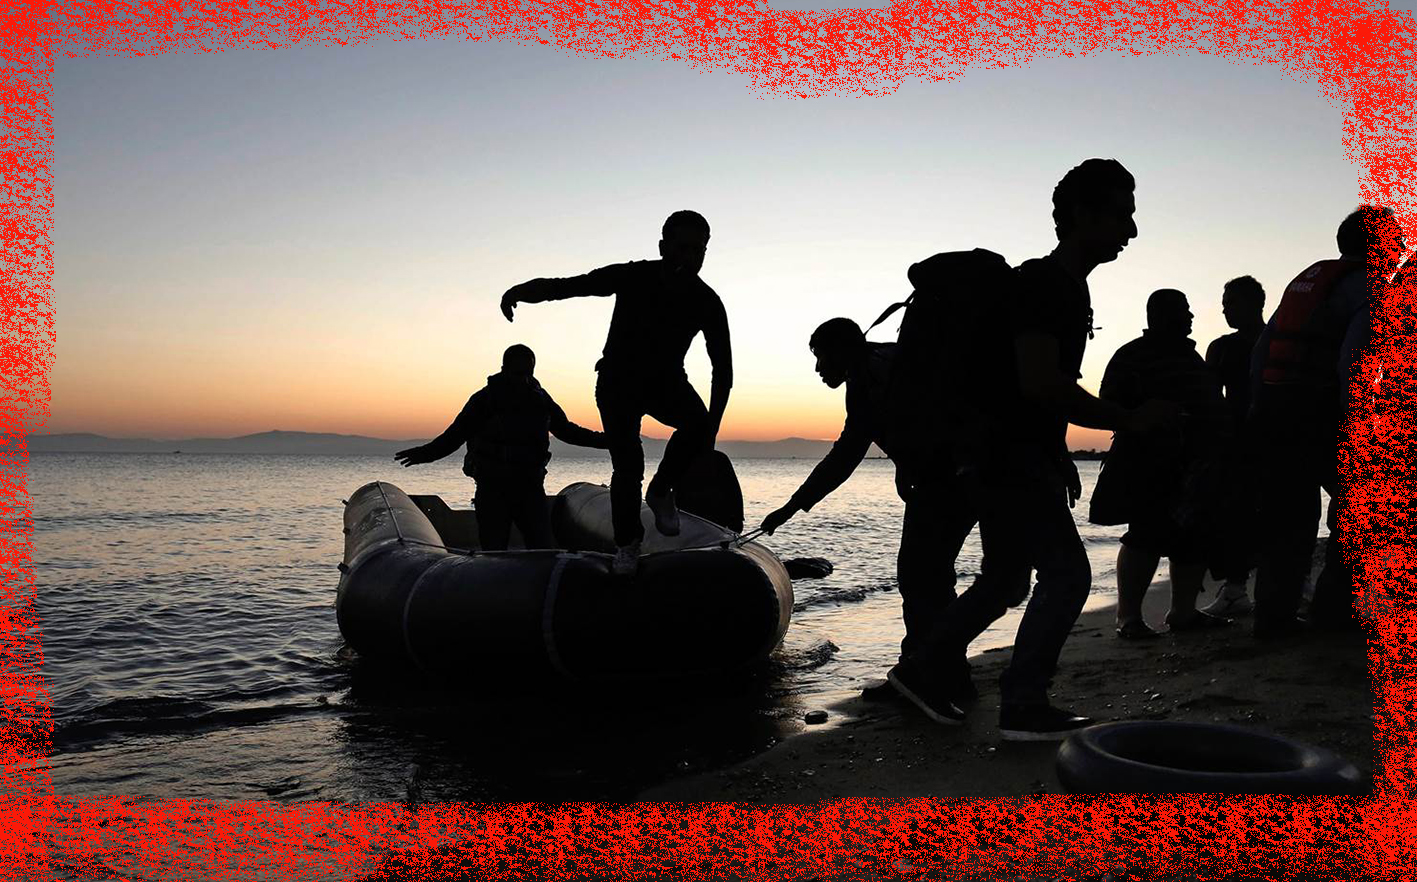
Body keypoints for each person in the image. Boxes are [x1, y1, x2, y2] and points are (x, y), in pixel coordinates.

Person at [898, 159, 1181, 739]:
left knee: (1005, 579)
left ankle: (921, 669)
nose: (1131, 230)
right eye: (1122, 214)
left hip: (1009, 454)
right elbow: (1039, 384)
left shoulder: (1063, 286)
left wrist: (1058, 455)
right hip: (1007, 457)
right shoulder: (1047, 286)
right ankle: (1022, 702)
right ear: (1082, 214)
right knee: (1068, 576)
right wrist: (1128, 419)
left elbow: (1028, 391)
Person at [500, 211, 732, 577]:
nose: (690, 257)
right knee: (628, 464)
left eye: (698, 250)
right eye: (682, 248)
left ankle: (661, 490)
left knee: (699, 424)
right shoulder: (633, 275)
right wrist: (519, 293)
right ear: (663, 247)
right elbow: (569, 286)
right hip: (617, 383)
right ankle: (627, 544)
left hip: (667, 382)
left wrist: (710, 431)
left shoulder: (706, 301)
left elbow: (723, 371)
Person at [759, 318, 977, 698]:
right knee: (931, 580)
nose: (818, 368)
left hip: (950, 483)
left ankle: (925, 674)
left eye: (821, 356)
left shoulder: (877, 375)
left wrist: (792, 506)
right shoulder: (880, 367)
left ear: (843, 350)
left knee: (921, 579)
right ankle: (944, 673)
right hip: (956, 479)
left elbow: (847, 454)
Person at [1249, 205, 1404, 639]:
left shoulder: (1306, 281)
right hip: (1322, 413)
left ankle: (1273, 619)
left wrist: (1257, 405)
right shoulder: (1370, 287)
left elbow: (1262, 349)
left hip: (1275, 412)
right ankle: (1335, 614)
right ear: (1381, 246)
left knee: (1286, 518)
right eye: (1395, 242)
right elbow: (1354, 359)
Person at [1092, 289, 1234, 639]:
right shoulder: (1132, 355)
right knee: (1145, 535)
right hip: (1148, 461)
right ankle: (1128, 618)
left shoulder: (1190, 356)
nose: (1190, 316)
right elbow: (1109, 403)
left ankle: (1183, 613)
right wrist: (1146, 414)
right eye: (1183, 310)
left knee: (1192, 537)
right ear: (1160, 315)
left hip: (1196, 462)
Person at [393, 344, 608, 551]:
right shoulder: (484, 400)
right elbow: (454, 436)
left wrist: (608, 441)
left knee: (541, 546)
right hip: (492, 488)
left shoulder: (541, 400)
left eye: (527, 372)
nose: (523, 379)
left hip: (530, 487)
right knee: (494, 548)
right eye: (518, 372)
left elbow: (568, 431)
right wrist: (424, 454)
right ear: (504, 369)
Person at [1198, 275, 1268, 616]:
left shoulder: (1273, 340)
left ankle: (1288, 585)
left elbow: (1210, 397)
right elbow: (1208, 397)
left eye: (1231, 304)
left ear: (1254, 303)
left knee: (1273, 513)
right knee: (1235, 515)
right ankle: (1236, 588)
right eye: (1224, 305)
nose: (1225, 310)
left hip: (1268, 438)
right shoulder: (1223, 346)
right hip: (1235, 442)